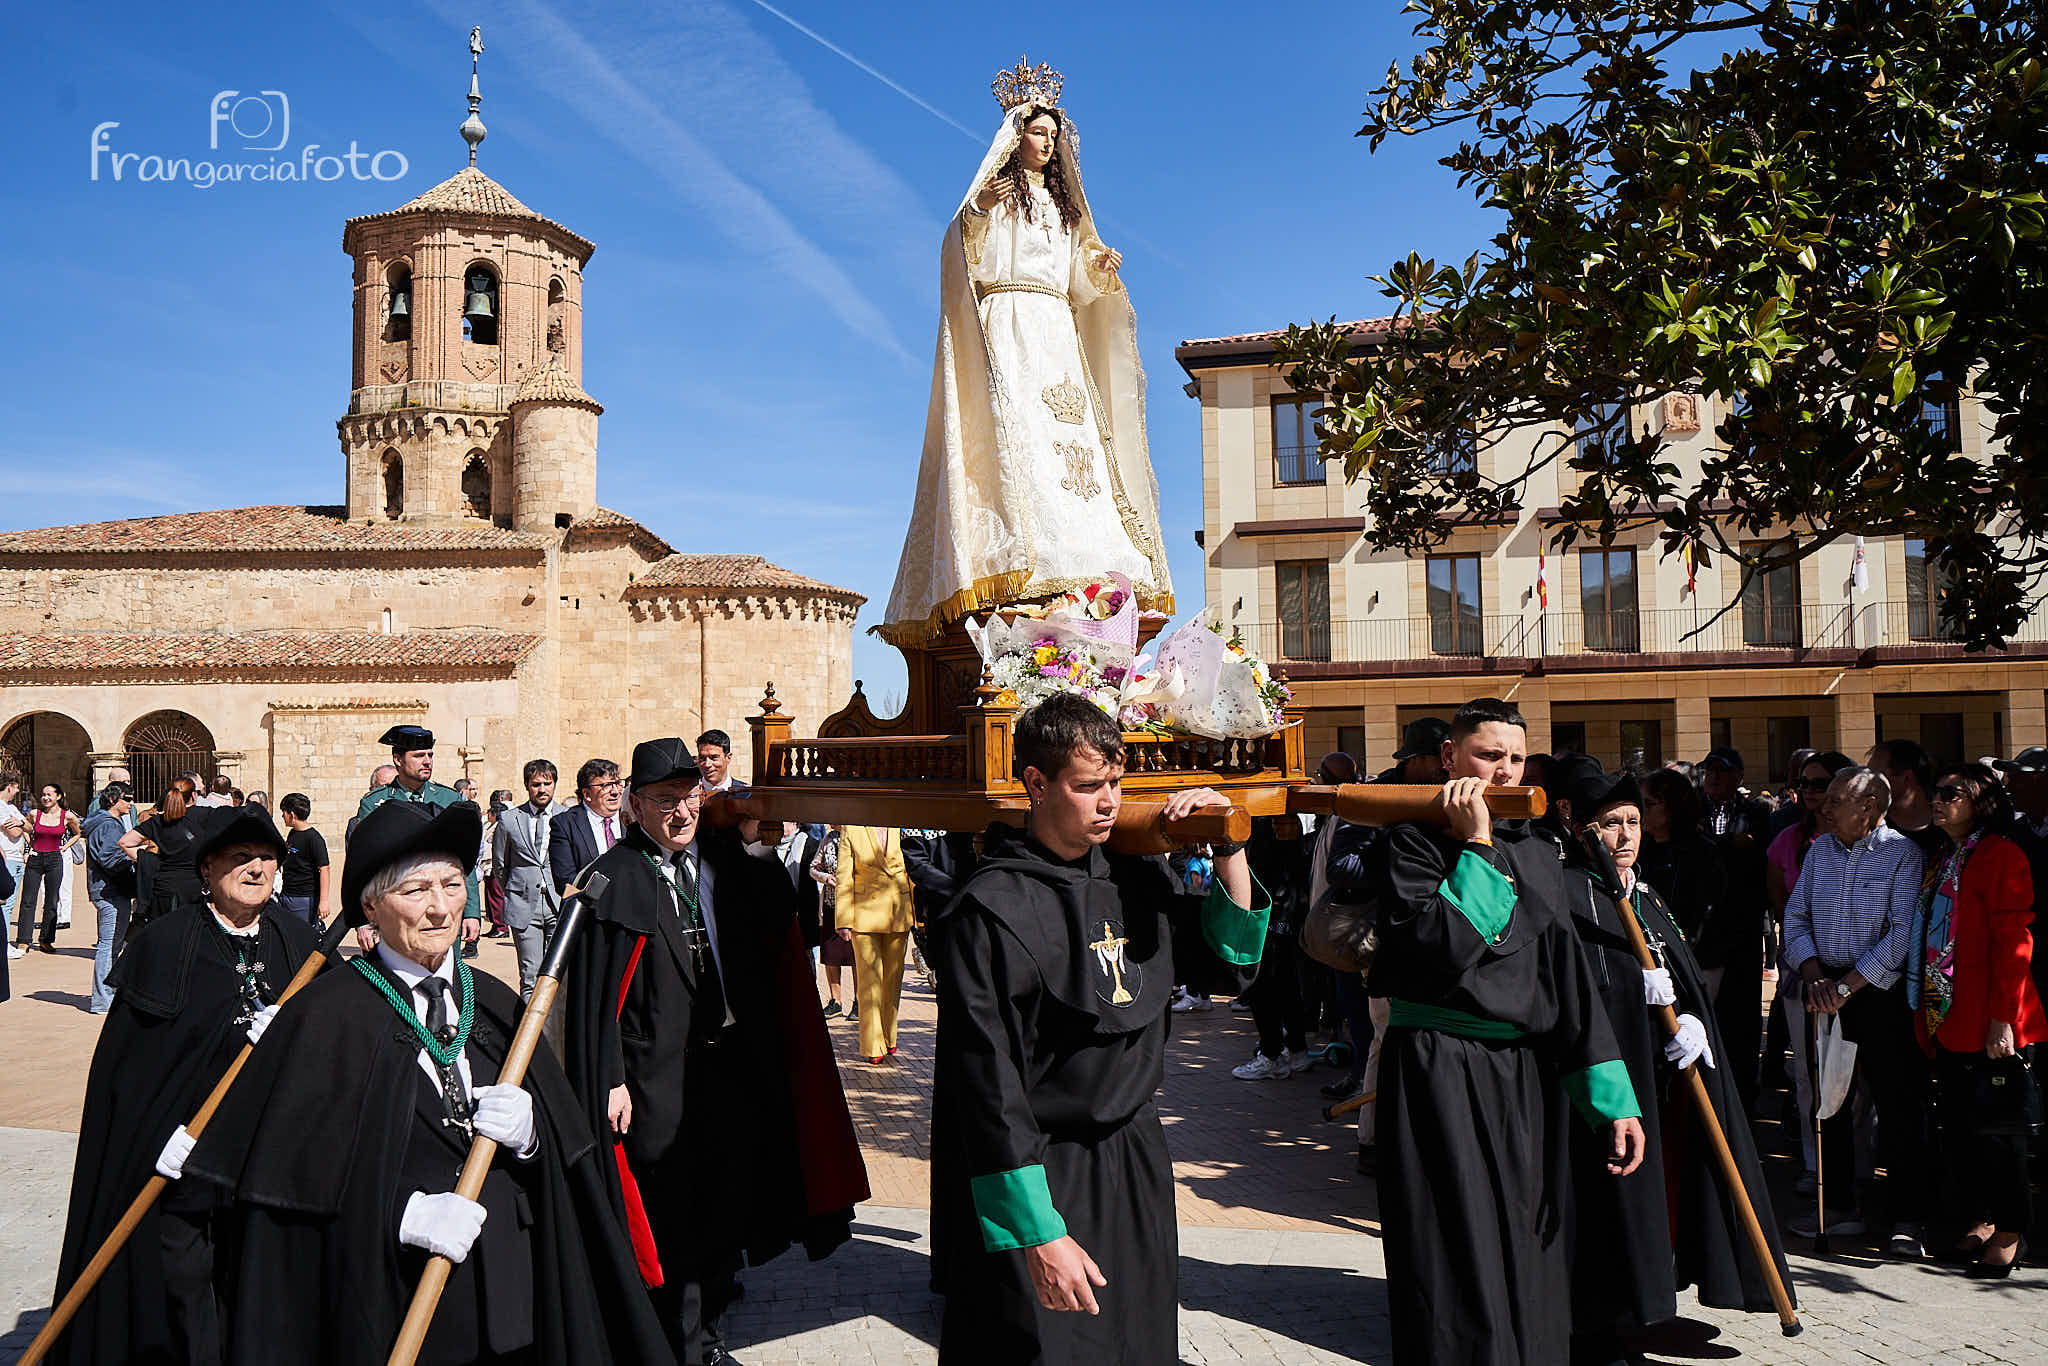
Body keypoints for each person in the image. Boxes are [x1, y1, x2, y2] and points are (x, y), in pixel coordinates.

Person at [185, 799, 679, 1366]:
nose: (440, 908)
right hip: (400, 1304)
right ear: (371, 906)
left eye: (451, 885)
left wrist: (531, 1137)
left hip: (516, 1301)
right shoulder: (322, 1017)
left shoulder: (495, 1003)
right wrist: (399, 1213)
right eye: (416, 890)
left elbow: (565, 1157)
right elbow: (289, 1185)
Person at [928, 692, 1270, 1364]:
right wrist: (1039, 1233)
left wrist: (1229, 846)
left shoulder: (1137, 876)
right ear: (1037, 783)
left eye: (1115, 783)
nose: (1109, 802)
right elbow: (987, 1088)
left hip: (1136, 1162)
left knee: (1138, 1344)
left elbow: (1231, 969)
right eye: (1088, 786)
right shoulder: (989, 908)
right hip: (1043, 1173)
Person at [563, 739, 866, 1366]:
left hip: (729, 1064)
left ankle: (708, 1334)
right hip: (653, 1079)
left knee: (728, 1199)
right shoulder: (613, 879)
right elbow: (595, 998)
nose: (680, 812)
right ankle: (679, 1342)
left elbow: (780, 917)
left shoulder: (725, 861)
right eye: (664, 801)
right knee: (673, 1210)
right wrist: (610, 1078)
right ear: (634, 806)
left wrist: (757, 842)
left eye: (689, 797)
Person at [1371, 697, 1645, 1366]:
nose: (1505, 771)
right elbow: (1441, 947)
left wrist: (1614, 1101)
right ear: (1450, 758)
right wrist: (1476, 844)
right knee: (1455, 1251)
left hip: (1526, 1077)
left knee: (1531, 1246)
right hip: (1438, 1069)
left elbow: (1569, 982)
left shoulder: (1541, 849)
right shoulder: (1410, 841)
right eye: (1489, 755)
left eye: (1517, 759)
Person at [880, 65, 1171, 646]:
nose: (1047, 142)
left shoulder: (1064, 208)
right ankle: (1018, 561)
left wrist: (1096, 268)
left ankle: (1085, 565)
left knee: (1072, 446)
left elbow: (1075, 284)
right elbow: (963, 255)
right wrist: (978, 212)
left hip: (1056, 331)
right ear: (1017, 136)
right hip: (1008, 325)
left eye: (1053, 135)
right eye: (1038, 132)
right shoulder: (994, 194)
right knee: (1017, 437)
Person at [51, 805, 319, 1365]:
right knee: (183, 1285)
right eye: (241, 858)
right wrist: (156, 1136)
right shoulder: (164, 944)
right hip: (183, 1161)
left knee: (256, 1288)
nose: (256, 869)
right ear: (207, 869)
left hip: (266, 1163)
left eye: (266, 858)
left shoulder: (301, 945)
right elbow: (129, 1075)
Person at [1548, 758, 1793, 1364]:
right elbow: (1572, 991)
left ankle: (1648, 1302)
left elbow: (1676, 972)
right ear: (1580, 829)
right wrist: (1631, 994)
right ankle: (1596, 1325)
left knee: (1667, 1187)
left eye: (1633, 821)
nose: (1625, 836)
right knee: (1608, 1196)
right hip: (1605, 1077)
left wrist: (1690, 1018)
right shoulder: (1564, 894)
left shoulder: (1645, 892)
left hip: (1662, 1073)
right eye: (1611, 824)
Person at [1780, 766, 1930, 1254]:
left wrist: (1847, 986)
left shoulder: (1902, 853)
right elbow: (1795, 916)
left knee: (1897, 1102)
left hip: (1878, 992)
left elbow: (1903, 932)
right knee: (1831, 1102)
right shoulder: (1820, 850)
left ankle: (1908, 1217)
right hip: (1824, 986)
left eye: (1836, 799)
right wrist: (1813, 974)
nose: (1824, 807)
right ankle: (1838, 1207)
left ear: (1868, 807)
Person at [1914, 763, 2047, 1276]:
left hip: (1994, 1018)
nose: (1939, 799)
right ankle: (1984, 1219)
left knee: (2001, 1135)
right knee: (1964, 1131)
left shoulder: (2001, 854)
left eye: (1952, 793)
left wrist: (2002, 1018)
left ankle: (2012, 1231)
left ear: (1982, 803)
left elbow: (2015, 944)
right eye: (1937, 792)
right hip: (1950, 1016)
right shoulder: (1946, 854)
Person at [1326, 723, 1448, 1162]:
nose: (1446, 768)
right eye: (1440, 760)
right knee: (1387, 1037)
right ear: (1417, 761)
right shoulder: (1374, 797)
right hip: (1387, 944)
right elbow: (1342, 866)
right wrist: (1407, 866)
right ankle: (1373, 1142)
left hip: (1435, 942)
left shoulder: (1446, 794)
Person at [358, 726, 482, 959]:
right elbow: (362, 865)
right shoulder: (375, 804)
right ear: (398, 759)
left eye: (430, 755)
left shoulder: (450, 800)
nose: (427, 761)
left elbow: (466, 861)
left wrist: (472, 912)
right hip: (396, 914)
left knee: (446, 973)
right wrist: (363, 921)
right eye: (418, 756)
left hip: (442, 909)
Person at [1234, 817, 1314, 1079]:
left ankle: (1272, 1054)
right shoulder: (1280, 816)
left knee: (1264, 985)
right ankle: (1296, 1049)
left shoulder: (1266, 819)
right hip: (1282, 912)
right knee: (1286, 984)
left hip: (1268, 914)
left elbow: (1263, 869)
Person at [836, 824, 917, 1062]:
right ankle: (872, 1046)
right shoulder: (851, 829)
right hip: (864, 915)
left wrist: (919, 915)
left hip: (898, 913)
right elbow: (844, 877)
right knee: (869, 983)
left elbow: (914, 869)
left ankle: (889, 1037)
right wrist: (843, 920)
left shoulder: (902, 825)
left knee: (893, 980)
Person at [496, 761, 566, 1001]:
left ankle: (554, 1023)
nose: (542, 789)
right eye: (536, 784)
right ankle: (528, 1024)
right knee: (530, 974)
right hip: (524, 905)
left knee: (558, 972)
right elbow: (500, 865)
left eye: (547, 783)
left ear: (554, 784)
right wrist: (516, 890)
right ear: (527, 785)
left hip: (559, 903)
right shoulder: (509, 819)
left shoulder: (567, 816)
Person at [82, 783, 139, 1014]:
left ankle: (108, 994)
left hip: (106, 890)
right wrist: (137, 858)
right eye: (127, 799)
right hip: (110, 891)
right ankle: (102, 999)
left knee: (113, 944)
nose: (131, 803)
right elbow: (109, 858)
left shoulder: (102, 822)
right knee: (108, 946)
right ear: (114, 800)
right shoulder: (109, 824)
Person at [15, 782, 82, 954]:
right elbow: (25, 828)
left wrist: (65, 847)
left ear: (58, 796)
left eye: (49, 795)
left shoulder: (67, 816)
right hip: (35, 859)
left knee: (52, 901)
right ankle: (23, 940)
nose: (45, 798)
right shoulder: (34, 814)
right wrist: (31, 845)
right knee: (28, 900)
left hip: (55, 859)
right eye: (43, 794)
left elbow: (77, 834)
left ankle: (46, 940)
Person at [549, 758, 623, 896]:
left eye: (617, 783)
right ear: (587, 794)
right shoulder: (565, 824)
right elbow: (565, 882)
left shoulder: (633, 818)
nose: (615, 791)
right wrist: (608, 896)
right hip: (592, 906)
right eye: (605, 786)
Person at [812, 828, 853, 1016]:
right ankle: (835, 1000)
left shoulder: (857, 835)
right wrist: (825, 877)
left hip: (854, 904)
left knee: (855, 956)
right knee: (830, 954)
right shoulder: (828, 839)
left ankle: (859, 1001)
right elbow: (813, 868)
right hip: (830, 903)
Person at [276, 793, 330, 927]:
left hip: (304, 899)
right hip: (287, 893)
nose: (282, 816)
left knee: (301, 934)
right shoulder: (293, 833)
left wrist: (323, 901)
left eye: (284, 812)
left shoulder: (314, 839)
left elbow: (324, 869)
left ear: (292, 815)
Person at [0, 770, 26, 959]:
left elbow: (30, 827)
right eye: (16, 787)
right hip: (7, 858)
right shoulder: (1, 808)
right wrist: (21, 824)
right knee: (5, 904)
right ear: (10, 786)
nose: (17, 791)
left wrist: (21, 823)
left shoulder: (11, 807)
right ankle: (4, 944)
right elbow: (15, 833)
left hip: (16, 859)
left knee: (10, 905)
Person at [346, 764, 399, 839]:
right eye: (384, 787)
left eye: (395, 786)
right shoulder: (356, 823)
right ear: (372, 789)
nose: (390, 792)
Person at [695, 730, 746, 795]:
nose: (707, 764)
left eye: (714, 758)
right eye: (702, 758)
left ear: (728, 758)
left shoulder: (746, 794)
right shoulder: (687, 795)